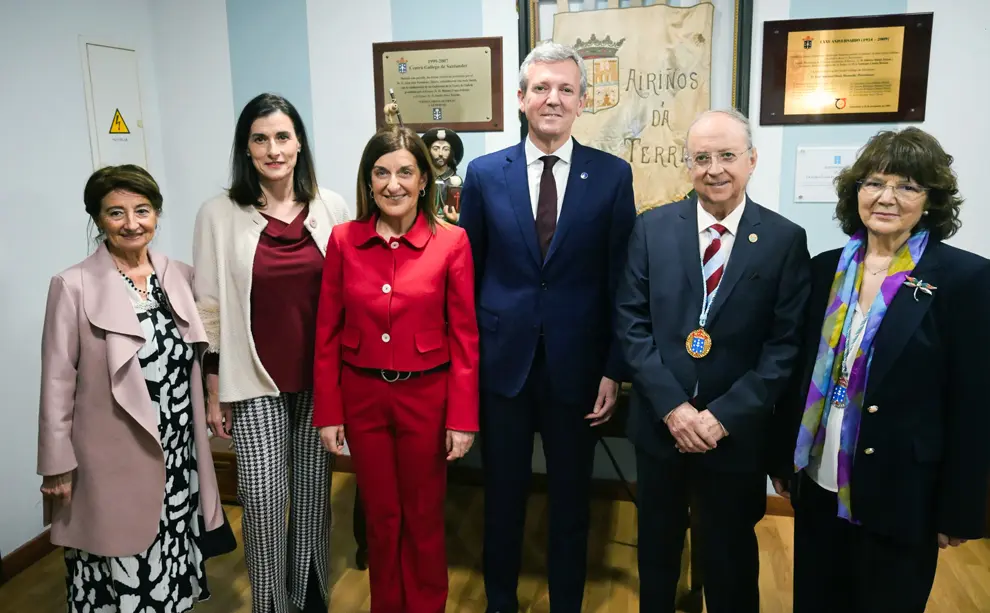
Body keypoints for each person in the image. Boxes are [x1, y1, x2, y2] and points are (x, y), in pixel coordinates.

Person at [770, 126, 990, 613]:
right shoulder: (824, 268)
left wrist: (960, 507)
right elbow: (799, 372)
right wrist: (783, 457)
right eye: (874, 182)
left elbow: (973, 404)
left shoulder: (966, 279)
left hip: (902, 493)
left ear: (931, 200)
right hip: (819, 476)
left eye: (907, 186)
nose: (887, 197)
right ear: (856, 192)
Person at [458, 41, 636, 613]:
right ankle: (500, 602)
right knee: (503, 497)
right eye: (541, 88)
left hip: (577, 371)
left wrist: (613, 369)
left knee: (571, 502)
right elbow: (468, 277)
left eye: (565, 89)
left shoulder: (612, 176)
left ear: (582, 101)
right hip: (502, 369)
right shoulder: (485, 174)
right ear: (521, 98)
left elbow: (620, 282)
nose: (552, 99)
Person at [614, 109, 811, 613]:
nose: (715, 169)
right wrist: (674, 408)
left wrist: (721, 417)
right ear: (687, 164)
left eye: (727, 155)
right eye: (702, 157)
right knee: (657, 548)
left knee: (729, 556)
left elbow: (784, 346)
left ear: (752, 160)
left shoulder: (784, 240)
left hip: (734, 432)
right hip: (662, 425)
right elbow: (631, 324)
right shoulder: (651, 228)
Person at [38, 165, 225, 612]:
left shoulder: (178, 275)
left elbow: (208, 346)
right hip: (110, 457)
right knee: (118, 558)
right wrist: (56, 464)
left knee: (172, 553)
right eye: (116, 212)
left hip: (178, 451)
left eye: (142, 210)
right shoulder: (73, 285)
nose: (132, 223)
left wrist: (215, 396)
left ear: (157, 213)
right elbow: (56, 381)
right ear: (97, 219)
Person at [192, 92, 350, 613]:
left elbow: (349, 293)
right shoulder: (217, 214)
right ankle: (270, 603)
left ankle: (309, 595)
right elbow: (208, 307)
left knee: (311, 496)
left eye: (283, 136)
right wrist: (213, 388)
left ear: (299, 142)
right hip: (253, 379)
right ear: (246, 148)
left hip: (319, 380)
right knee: (262, 501)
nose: (273, 149)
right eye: (260, 139)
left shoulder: (331, 207)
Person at [312, 124, 479, 612]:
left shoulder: (452, 242)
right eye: (381, 173)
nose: (393, 184)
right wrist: (329, 411)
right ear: (368, 181)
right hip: (363, 398)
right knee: (381, 519)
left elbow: (465, 337)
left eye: (405, 172)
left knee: (423, 516)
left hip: (427, 398)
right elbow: (327, 332)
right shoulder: (344, 240)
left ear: (424, 180)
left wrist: (462, 419)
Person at [422, 127, 464, 223]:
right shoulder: (423, 179)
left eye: (445, 149)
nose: (440, 154)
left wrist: (456, 219)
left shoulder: (455, 181)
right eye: (435, 149)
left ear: (451, 153)